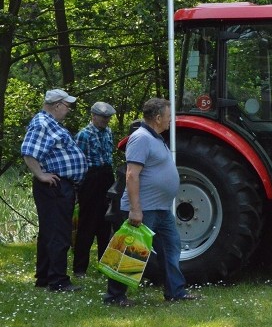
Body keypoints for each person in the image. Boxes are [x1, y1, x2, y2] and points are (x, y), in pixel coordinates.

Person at [103, 98, 198, 306]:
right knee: (131, 251)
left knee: (171, 249)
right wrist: (136, 210)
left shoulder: (155, 137)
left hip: (161, 209)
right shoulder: (141, 138)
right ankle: (114, 296)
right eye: (168, 116)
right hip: (144, 209)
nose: (170, 120)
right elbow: (131, 175)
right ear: (157, 118)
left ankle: (175, 292)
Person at [21, 88, 88, 291]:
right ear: (57, 105)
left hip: (58, 185)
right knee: (59, 233)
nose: (68, 110)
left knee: (50, 232)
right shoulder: (42, 124)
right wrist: (40, 175)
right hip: (54, 186)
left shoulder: (50, 124)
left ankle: (44, 277)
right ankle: (58, 280)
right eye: (67, 106)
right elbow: (28, 152)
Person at [73, 101, 117, 277]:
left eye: (108, 118)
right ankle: (80, 268)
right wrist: (79, 185)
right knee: (87, 224)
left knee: (106, 223)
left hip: (106, 176)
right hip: (91, 178)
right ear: (93, 116)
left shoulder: (108, 132)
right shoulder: (84, 134)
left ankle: (105, 264)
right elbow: (79, 160)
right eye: (103, 117)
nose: (106, 120)